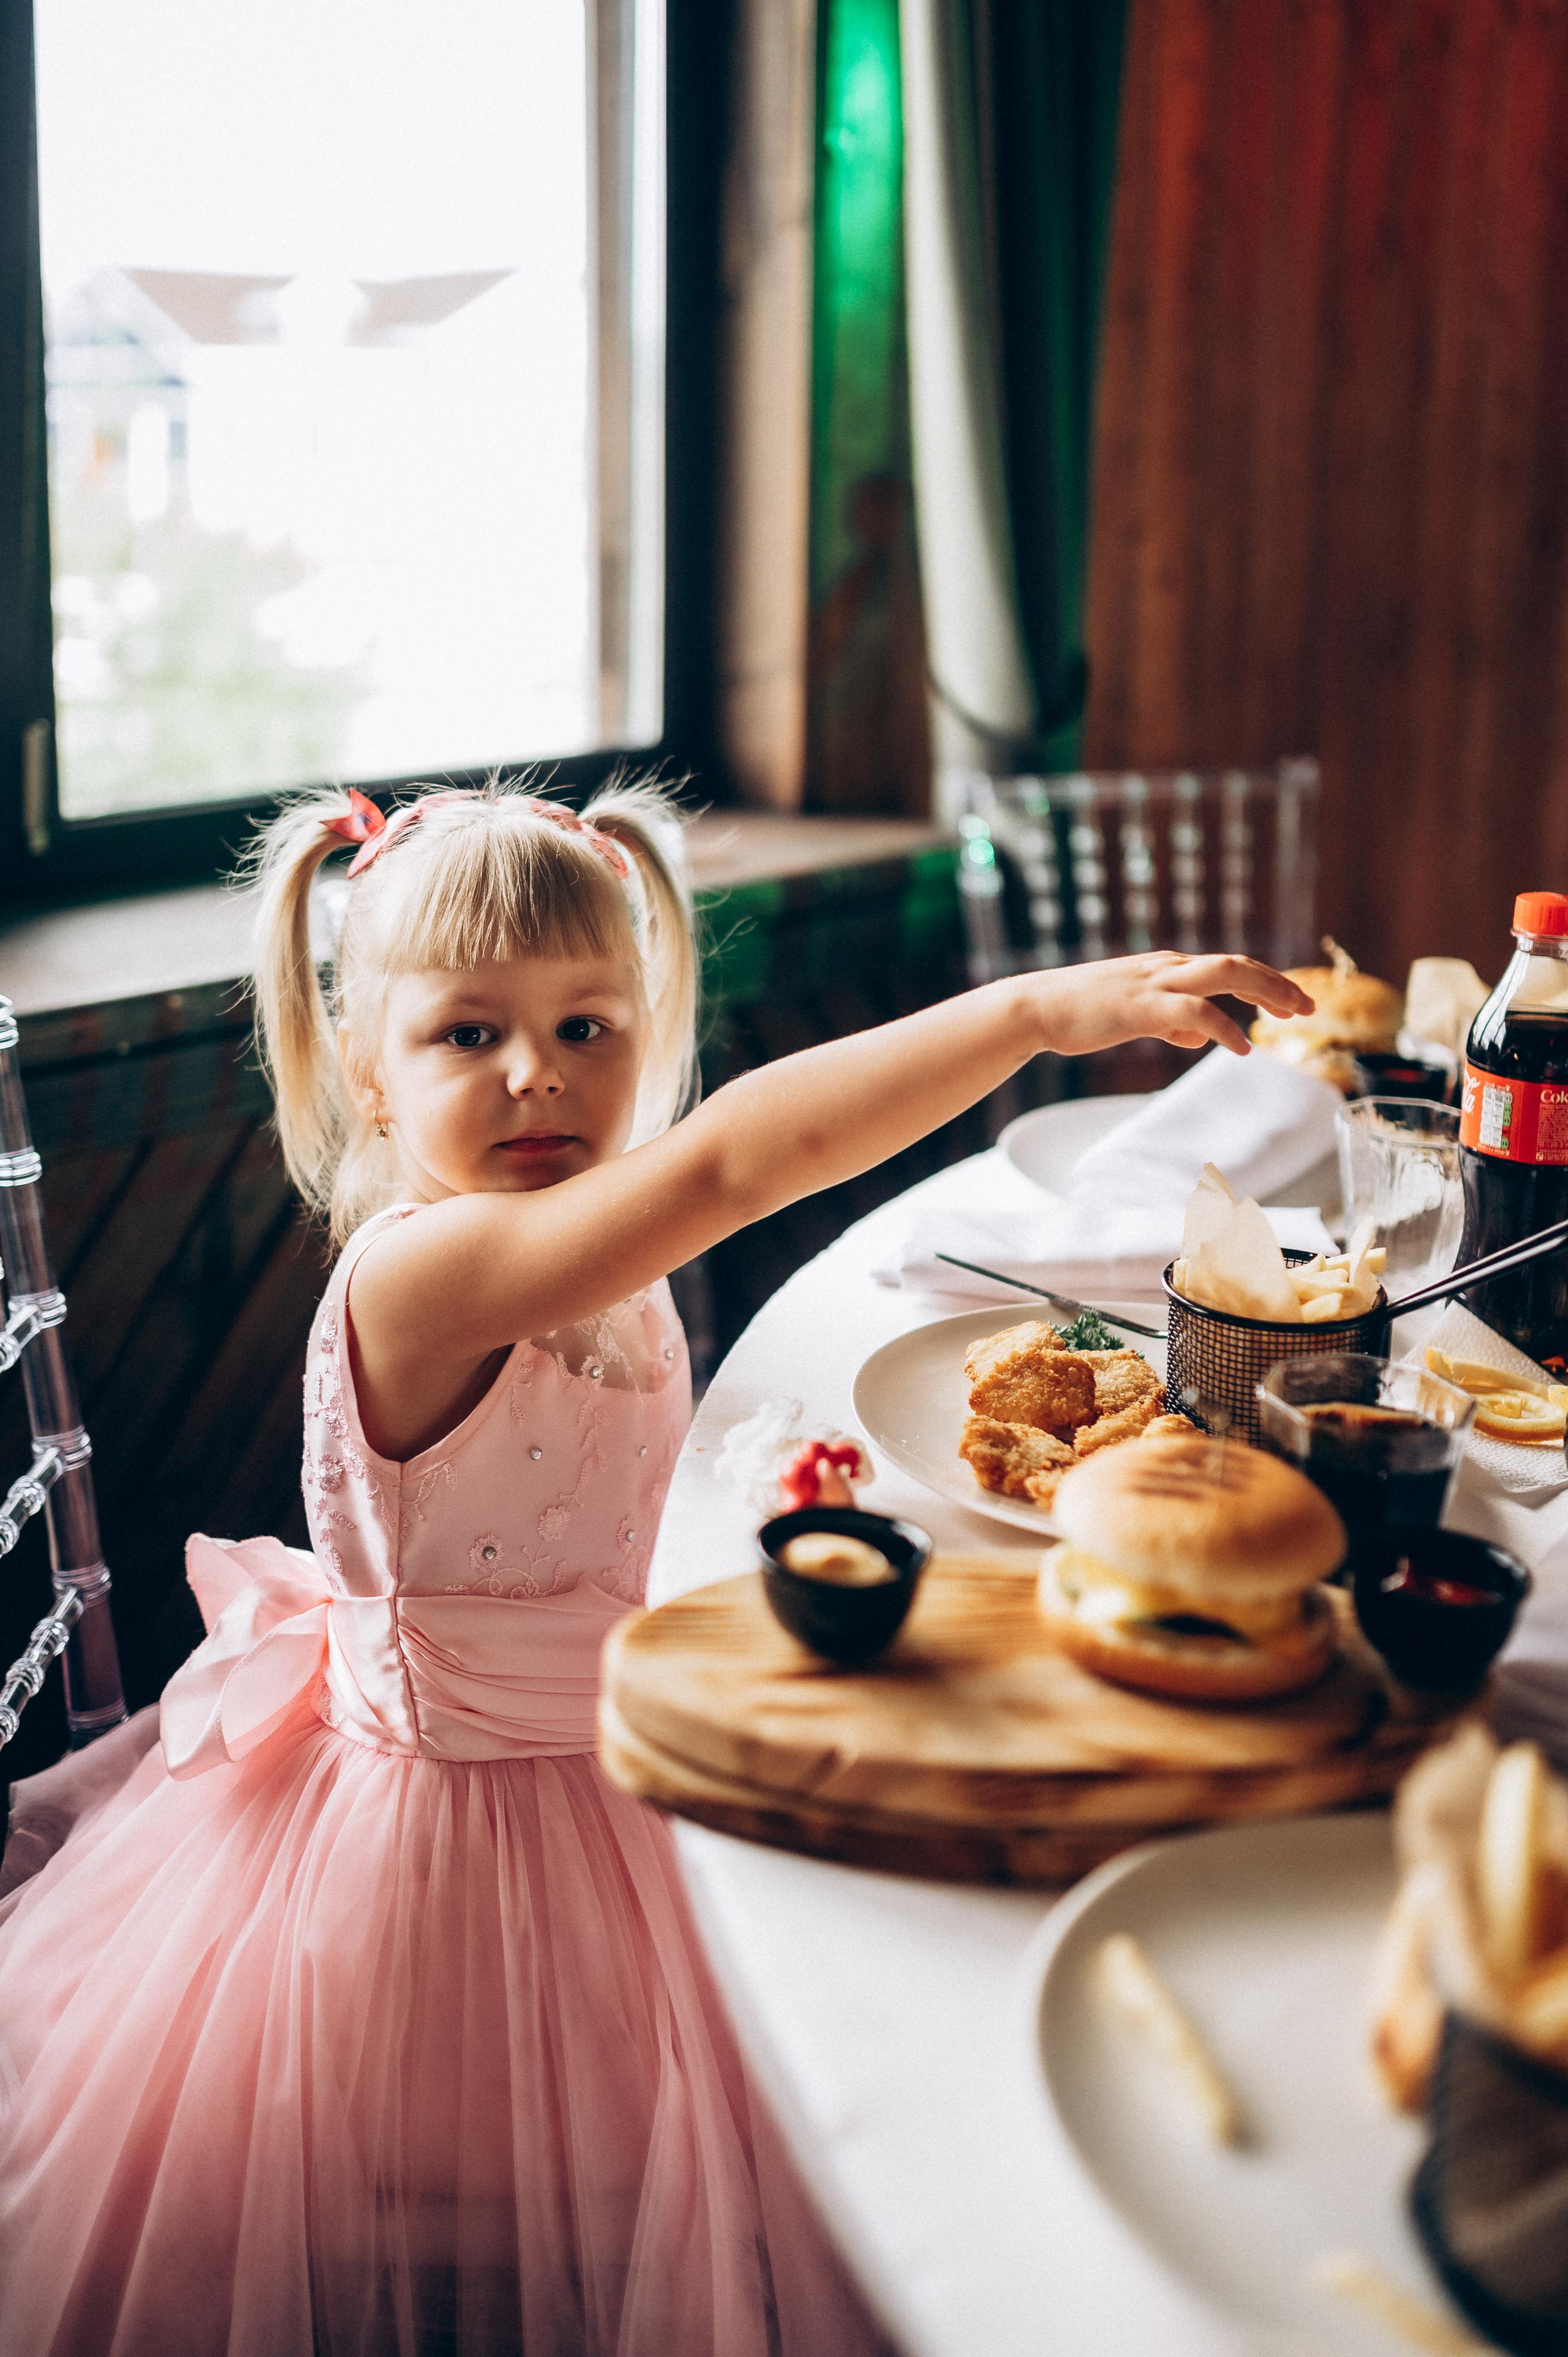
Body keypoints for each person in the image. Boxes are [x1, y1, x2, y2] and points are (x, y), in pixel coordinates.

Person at [0, 780, 1313, 2356]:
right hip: (458, 1847)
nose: (537, 1073)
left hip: (608, 1742)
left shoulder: (567, 1232)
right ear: (362, 1069)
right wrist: (1035, 1009)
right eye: (467, 1034)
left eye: (589, 1025)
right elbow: (725, 1168)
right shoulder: (427, 1274)